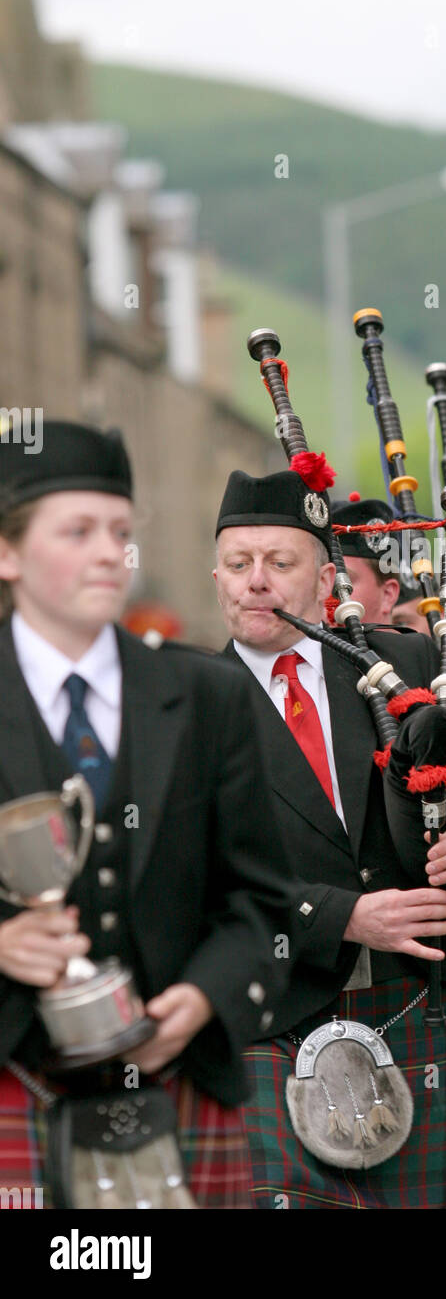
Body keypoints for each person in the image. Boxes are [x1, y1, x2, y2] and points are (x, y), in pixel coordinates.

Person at [213, 471, 446, 1209]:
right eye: (239, 563)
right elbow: (192, 880)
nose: (257, 583)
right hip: (278, 1024)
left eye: (280, 563)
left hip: (426, 1006)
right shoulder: (188, 704)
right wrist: (345, 917)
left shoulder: (403, 666)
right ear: (217, 575)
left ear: (327, 576)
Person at [0, 422, 296, 1209]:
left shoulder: (207, 697)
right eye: (79, 531)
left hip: (178, 1085)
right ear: (8, 553)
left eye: (122, 533)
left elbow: (260, 902)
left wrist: (203, 997)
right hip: (12, 1076)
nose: (110, 553)